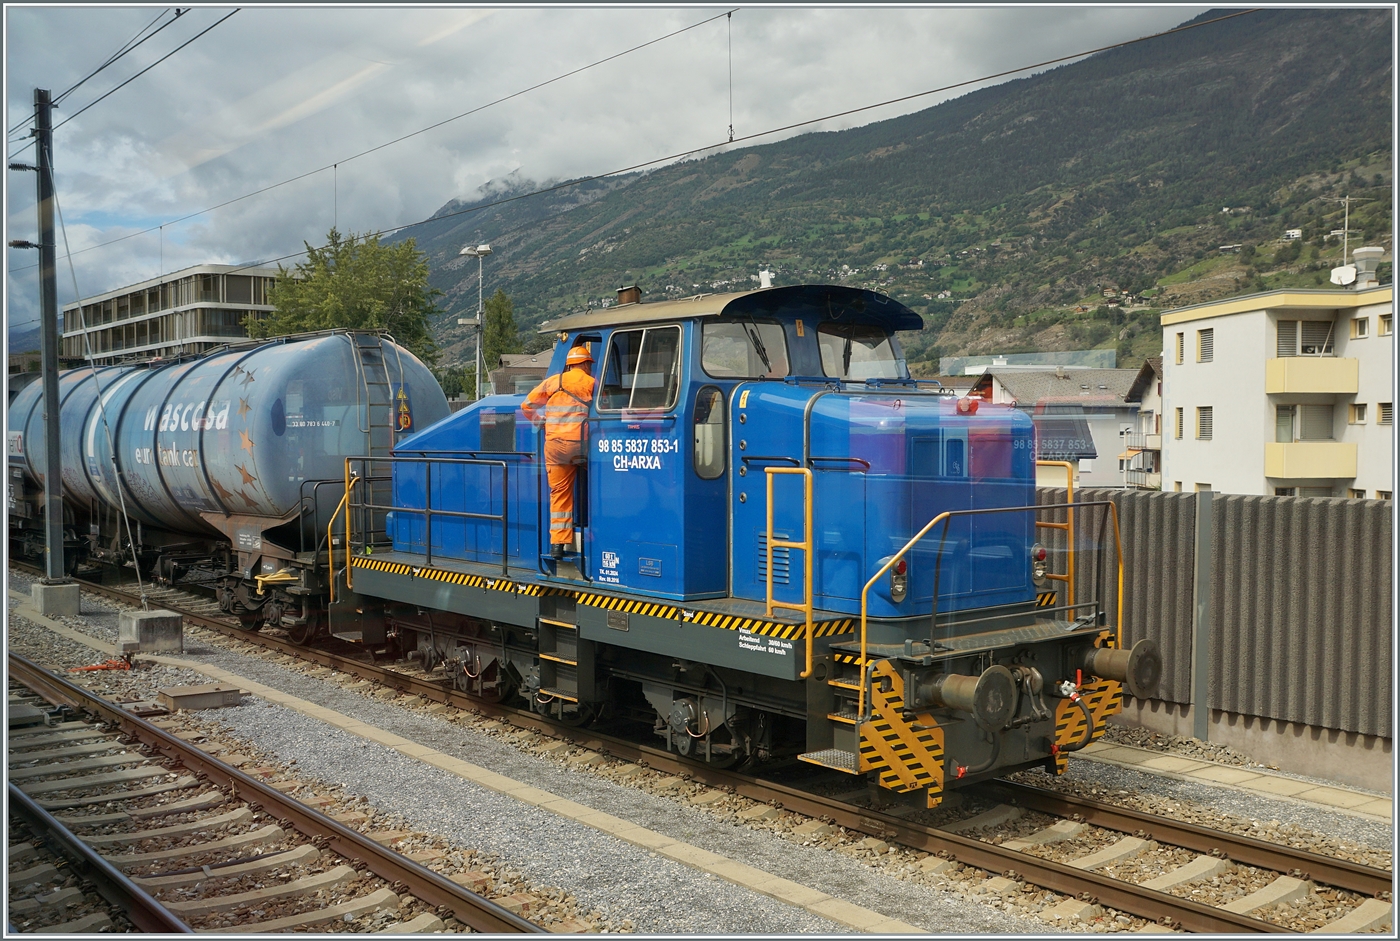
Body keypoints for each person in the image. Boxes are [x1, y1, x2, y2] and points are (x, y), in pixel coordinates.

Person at [521, 345, 595, 559]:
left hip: (554, 447)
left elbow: (526, 406)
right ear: (584, 364)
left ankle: (558, 545)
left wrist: (540, 422)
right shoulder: (591, 383)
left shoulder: (553, 382)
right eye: (589, 364)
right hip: (580, 445)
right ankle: (595, 531)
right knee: (602, 479)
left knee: (560, 494)